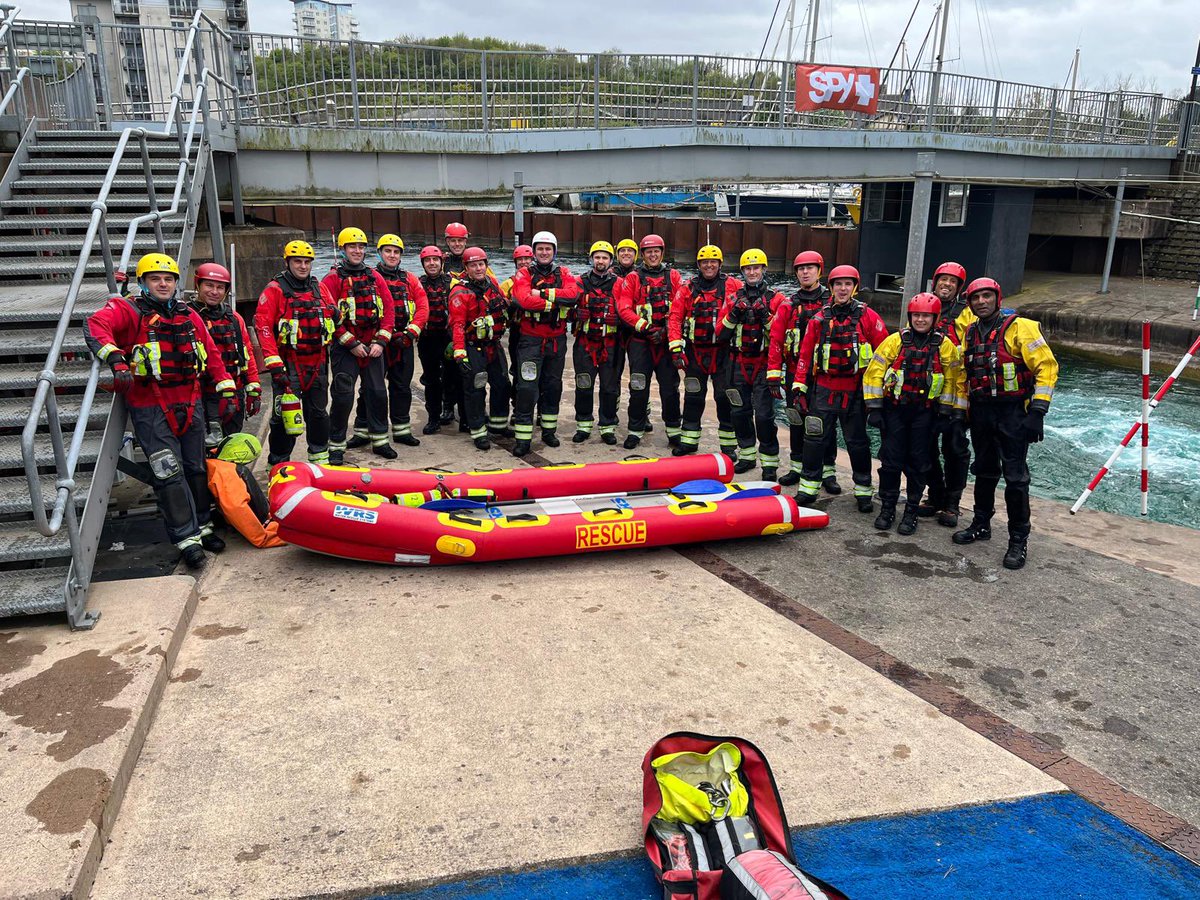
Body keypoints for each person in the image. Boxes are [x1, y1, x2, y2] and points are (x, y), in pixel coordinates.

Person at [84, 253, 236, 568]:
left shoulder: (187, 314)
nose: (163, 283)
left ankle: (204, 526)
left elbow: (211, 352)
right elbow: (95, 326)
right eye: (156, 278)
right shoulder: (127, 310)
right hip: (151, 406)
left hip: (190, 401)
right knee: (169, 473)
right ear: (143, 283)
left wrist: (227, 388)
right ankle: (187, 539)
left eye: (168, 279)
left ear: (177, 284)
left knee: (196, 468)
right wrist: (115, 358)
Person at [952, 277, 1059, 570]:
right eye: (976, 298)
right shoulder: (971, 333)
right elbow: (964, 377)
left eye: (987, 296)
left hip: (1013, 413)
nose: (981, 302)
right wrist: (961, 414)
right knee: (984, 472)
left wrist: (1037, 412)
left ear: (997, 298)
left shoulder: (1020, 328)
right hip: (982, 412)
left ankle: (1018, 539)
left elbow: (1047, 368)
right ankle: (981, 523)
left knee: (1015, 478)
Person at [862, 292, 966, 535]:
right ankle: (887, 508)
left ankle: (911, 511)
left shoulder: (945, 346)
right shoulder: (895, 341)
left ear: (935, 318)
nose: (920, 320)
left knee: (919, 464)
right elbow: (874, 372)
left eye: (925, 316)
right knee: (890, 462)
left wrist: (947, 413)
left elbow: (954, 380)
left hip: (925, 414)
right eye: (916, 315)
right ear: (910, 316)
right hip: (895, 411)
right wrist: (874, 408)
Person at [791, 265, 890, 511]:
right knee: (814, 439)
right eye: (838, 284)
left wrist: (879, 396)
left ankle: (863, 490)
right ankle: (808, 488)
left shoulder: (868, 317)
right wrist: (799, 388)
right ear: (831, 287)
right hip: (823, 389)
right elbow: (804, 356)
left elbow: (885, 354)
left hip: (855, 392)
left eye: (847, 284)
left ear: (854, 287)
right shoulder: (818, 319)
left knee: (857, 442)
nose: (842, 289)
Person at [255, 240, 337, 467]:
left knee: (319, 414)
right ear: (288, 262)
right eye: (297, 262)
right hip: (288, 366)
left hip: (318, 362)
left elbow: (331, 314)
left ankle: (320, 463)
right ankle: (278, 465)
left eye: (307, 262)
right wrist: (274, 365)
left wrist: (336, 314)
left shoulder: (319, 287)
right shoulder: (275, 290)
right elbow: (263, 327)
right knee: (283, 419)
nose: (303, 266)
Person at [322, 226, 395, 464]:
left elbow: (389, 311)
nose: (357, 250)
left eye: (361, 247)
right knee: (343, 396)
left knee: (377, 393)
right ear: (343, 249)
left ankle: (381, 440)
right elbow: (327, 316)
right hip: (346, 348)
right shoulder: (332, 279)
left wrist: (381, 342)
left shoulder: (375, 277)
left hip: (373, 346)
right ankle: (336, 445)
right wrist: (350, 342)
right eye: (352, 246)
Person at [768, 250, 838, 490]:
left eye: (810, 268)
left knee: (822, 422)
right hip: (794, 372)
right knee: (796, 419)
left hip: (823, 374)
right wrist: (774, 376)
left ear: (820, 271)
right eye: (800, 268)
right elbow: (776, 341)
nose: (805, 272)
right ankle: (796, 467)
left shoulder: (832, 303)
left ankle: (828, 471)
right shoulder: (789, 306)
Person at [354, 233, 428, 448]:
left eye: (396, 252)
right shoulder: (369, 277)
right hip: (377, 344)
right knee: (370, 388)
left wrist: (410, 333)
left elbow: (422, 307)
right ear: (379, 253)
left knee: (401, 387)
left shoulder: (410, 279)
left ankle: (402, 429)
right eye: (388, 251)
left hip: (403, 342)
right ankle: (362, 429)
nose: (392, 255)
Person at [510, 230, 580, 455]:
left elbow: (573, 296)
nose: (544, 252)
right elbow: (523, 300)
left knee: (552, 386)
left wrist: (543, 294)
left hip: (556, 341)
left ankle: (549, 431)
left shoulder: (565, 272)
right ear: (534, 251)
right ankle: (523, 438)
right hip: (530, 340)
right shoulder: (523, 274)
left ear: (554, 252)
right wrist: (554, 303)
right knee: (527, 388)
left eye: (548, 249)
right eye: (540, 249)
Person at [668, 245, 740, 457]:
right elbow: (675, 318)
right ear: (699, 265)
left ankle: (728, 447)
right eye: (705, 262)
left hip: (723, 353)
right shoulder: (687, 288)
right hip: (695, 352)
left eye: (713, 261)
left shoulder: (733, 286)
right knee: (693, 396)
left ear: (720, 264)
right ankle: (689, 441)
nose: (709, 265)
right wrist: (675, 347)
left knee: (724, 398)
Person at [719, 249, 786, 478]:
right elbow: (720, 333)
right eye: (748, 268)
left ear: (764, 269)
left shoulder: (777, 299)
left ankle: (769, 464)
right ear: (742, 271)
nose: (752, 272)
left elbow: (781, 337)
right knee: (739, 411)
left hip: (763, 364)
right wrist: (733, 315)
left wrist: (766, 317)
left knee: (765, 416)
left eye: (756, 267)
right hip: (737, 363)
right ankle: (747, 455)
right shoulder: (732, 299)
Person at [919, 261, 975, 526]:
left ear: (959, 288)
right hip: (927, 392)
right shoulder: (923, 308)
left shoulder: (968, 315)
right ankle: (935, 495)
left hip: (957, 391)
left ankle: (952, 503)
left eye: (953, 281)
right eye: (944, 279)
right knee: (926, 445)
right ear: (935, 281)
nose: (947, 284)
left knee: (954, 448)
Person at [616, 233, 683, 449]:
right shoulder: (633, 279)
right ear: (642, 255)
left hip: (665, 342)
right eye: (648, 251)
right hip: (641, 342)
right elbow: (624, 309)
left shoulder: (673, 276)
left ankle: (674, 431)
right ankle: (635, 430)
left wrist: (665, 330)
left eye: (656, 251)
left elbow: (681, 307)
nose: (653, 255)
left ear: (662, 253)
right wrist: (645, 327)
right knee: (638, 386)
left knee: (670, 388)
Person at [449, 247, 511, 450]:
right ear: (466, 267)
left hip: (493, 344)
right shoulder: (460, 292)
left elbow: (503, 302)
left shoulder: (492, 283)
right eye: (473, 265)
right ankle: (478, 432)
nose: (478, 268)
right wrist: (460, 354)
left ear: (486, 265)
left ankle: (499, 424)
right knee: (476, 388)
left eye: (481, 264)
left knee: (502, 384)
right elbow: (457, 325)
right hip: (473, 346)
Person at [193, 262, 260, 444]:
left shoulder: (234, 318)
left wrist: (253, 388)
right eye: (209, 285)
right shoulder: (189, 317)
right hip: (203, 395)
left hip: (234, 393)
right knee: (204, 447)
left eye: (220, 287)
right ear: (197, 285)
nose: (215, 292)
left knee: (231, 443)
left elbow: (247, 354)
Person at [572, 241, 624, 445]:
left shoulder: (619, 283)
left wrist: (618, 319)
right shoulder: (580, 281)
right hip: (585, 342)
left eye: (605, 257)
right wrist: (576, 314)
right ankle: (583, 425)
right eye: (597, 257)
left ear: (611, 261)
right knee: (583, 383)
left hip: (610, 344)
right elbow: (566, 308)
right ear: (591, 259)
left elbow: (628, 309)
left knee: (609, 387)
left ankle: (607, 426)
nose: (600, 261)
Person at [205, 432, 285, 549]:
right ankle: (264, 519)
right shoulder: (227, 472)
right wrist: (263, 536)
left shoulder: (211, 462)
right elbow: (236, 507)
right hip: (262, 523)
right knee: (242, 472)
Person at [416, 245, 455, 435]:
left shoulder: (453, 282)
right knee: (431, 380)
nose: (432, 263)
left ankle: (449, 409)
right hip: (427, 339)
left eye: (435, 260)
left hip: (449, 338)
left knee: (452, 376)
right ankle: (433, 417)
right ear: (423, 263)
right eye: (427, 260)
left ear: (442, 262)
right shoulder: (416, 284)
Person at [501, 244, 535, 422]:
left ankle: (539, 409)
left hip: (536, 331)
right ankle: (517, 408)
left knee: (538, 374)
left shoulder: (538, 280)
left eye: (527, 259)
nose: (524, 262)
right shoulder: (508, 283)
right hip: (517, 331)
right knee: (518, 372)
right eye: (520, 259)